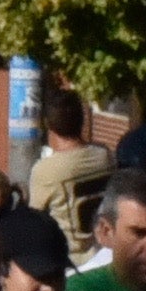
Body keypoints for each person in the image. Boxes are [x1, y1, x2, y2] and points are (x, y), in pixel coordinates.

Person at [26, 90, 107, 257]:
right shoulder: (105, 156)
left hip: (71, 261)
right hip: (104, 253)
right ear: (82, 121)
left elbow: (34, 221)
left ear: (47, 124)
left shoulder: (46, 169)